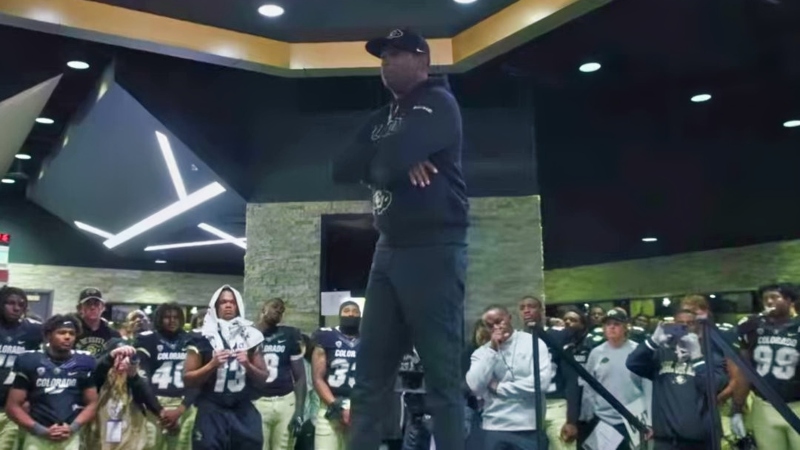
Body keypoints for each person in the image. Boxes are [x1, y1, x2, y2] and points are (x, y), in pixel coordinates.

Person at [332, 27, 469, 450]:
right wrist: (399, 157)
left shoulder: (439, 102)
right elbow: (341, 166)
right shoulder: (382, 117)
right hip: (387, 249)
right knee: (370, 375)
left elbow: (383, 158)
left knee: (442, 377)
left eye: (396, 53)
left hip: (435, 247)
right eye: (383, 55)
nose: (386, 62)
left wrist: (395, 157)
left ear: (423, 62)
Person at [626, 309, 728, 449]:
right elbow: (633, 363)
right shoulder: (661, 353)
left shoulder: (711, 356)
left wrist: (697, 357)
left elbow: (713, 387)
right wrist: (653, 342)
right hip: (665, 441)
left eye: (690, 323)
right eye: (680, 324)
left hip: (701, 442)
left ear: (697, 327)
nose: (685, 327)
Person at [183, 285, 268, 450]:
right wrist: (211, 365)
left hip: (242, 406)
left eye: (232, 302)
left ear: (238, 306)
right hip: (212, 407)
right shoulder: (201, 336)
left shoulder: (251, 335)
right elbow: (188, 379)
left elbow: (264, 378)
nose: (228, 305)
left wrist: (247, 365)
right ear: (215, 306)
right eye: (223, 302)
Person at [5, 315, 98, 450]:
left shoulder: (84, 362)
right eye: (61, 332)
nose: (67, 337)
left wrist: (72, 428)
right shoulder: (30, 360)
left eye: (71, 333)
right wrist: (40, 430)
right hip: (37, 435)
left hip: (70, 436)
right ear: (48, 335)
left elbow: (92, 403)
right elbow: (12, 406)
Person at [466, 305, 553, 450]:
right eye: (490, 325)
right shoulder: (482, 353)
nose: (496, 327)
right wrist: (492, 350)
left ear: (509, 318)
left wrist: (500, 388)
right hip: (494, 425)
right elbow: (475, 386)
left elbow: (541, 383)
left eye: (499, 321)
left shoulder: (533, 343)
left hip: (529, 425)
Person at [732, 283, 800, 450]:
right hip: (764, 405)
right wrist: (737, 409)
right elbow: (744, 370)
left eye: (775, 297)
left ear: (789, 300)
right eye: (765, 298)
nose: (769, 302)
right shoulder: (754, 328)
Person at [136, 303, 198, 450]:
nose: (172, 321)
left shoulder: (191, 339)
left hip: (183, 404)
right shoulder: (148, 339)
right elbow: (142, 377)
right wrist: (159, 410)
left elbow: (197, 380)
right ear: (159, 318)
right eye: (167, 317)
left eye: (176, 317)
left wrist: (180, 410)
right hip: (154, 404)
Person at [583, 309, 646, 449]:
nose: (611, 327)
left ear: (625, 327)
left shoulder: (638, 351)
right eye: (608, 324)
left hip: (634, 419)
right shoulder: (596, 353)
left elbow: (647, 385)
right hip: (604, 419)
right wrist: (588, 413)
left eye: (616, 324)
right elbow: (589, 386)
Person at [518, 296, 574, 450]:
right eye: (522, 308)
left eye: (531, 306)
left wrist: (572, 419)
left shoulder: (558, 336)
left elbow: (571, 379)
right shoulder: (515, 340)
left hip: (556, 404)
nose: (526, 310)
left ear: (541, 310)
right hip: (527, 406)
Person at [255, 298, 307, 450]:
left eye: (282, 310)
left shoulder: (289, 335)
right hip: (257, 401)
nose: (279, 310)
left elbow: (300, 377)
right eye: (275, 306)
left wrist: (299, 411)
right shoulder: (248, 335)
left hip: (285, 401)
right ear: (263, 308)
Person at [311, 301, 361, 450]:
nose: (351, 314)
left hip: (359, 407)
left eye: (355, 311)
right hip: (330, 406)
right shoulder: (326, 336)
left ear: (360, 315)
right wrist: (337, 406)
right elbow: (317, 378)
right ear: (339, 314)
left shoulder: (369, 339)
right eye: (346, 311)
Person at [0, 286, 43, 450]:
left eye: (21, 304)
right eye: (10, 303)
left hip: (12, 408)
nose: (16, 308)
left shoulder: (34, 330)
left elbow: (41, 366)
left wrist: (31, 398)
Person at [559, 308, 596, 447]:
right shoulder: (561, 344)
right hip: (569, 398)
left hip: (591, 399)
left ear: (582, 324)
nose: (568, 322)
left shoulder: (592, 344)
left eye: (573, 320)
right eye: (565, 320)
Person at [74, 288, 121, 356]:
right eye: (88, 304)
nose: (92, 307)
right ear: (80, 308)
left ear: (103, 307)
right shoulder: (73, 331)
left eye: (96, 304)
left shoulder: (112, 334)